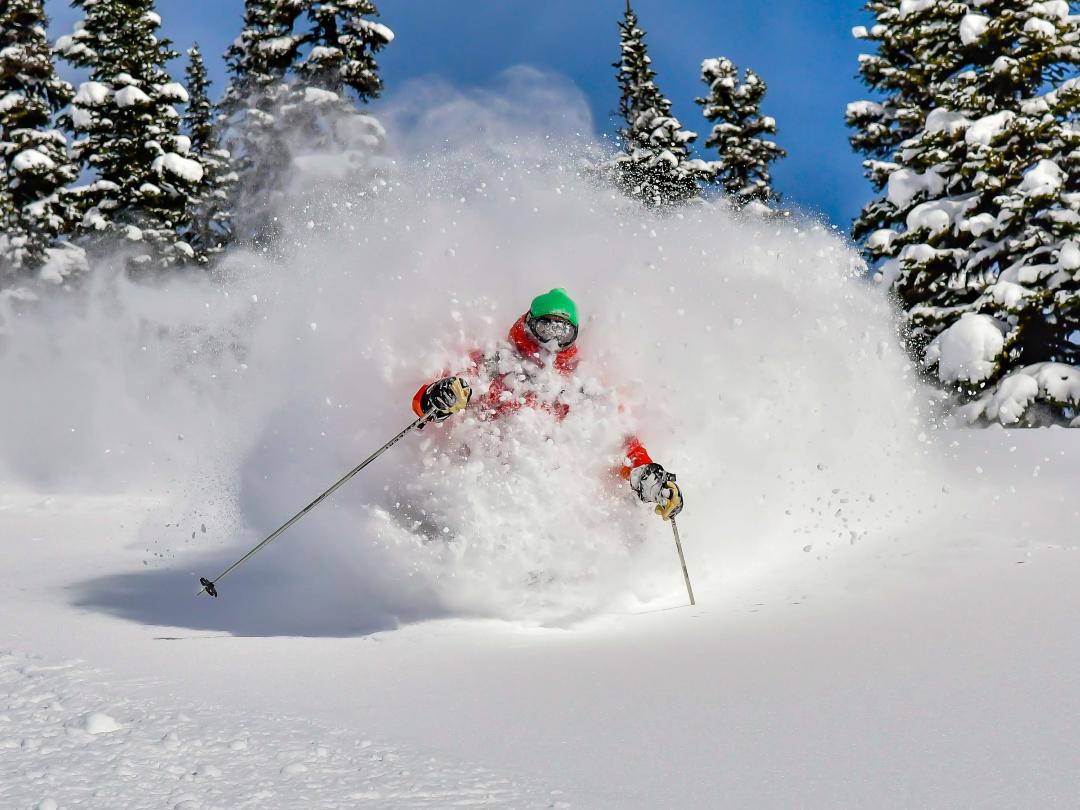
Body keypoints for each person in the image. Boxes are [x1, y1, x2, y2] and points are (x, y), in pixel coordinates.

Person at [410, 288, 683, 521]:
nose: (552, 341)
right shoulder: (493, 363)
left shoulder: (580, 387)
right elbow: (436, 395)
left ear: (573, 338)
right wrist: (438, 396)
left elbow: (621, 444)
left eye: (562, 332)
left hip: (544, 499)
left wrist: (647, 474)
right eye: (546, 328)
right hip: (475, 478)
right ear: (529, 324)